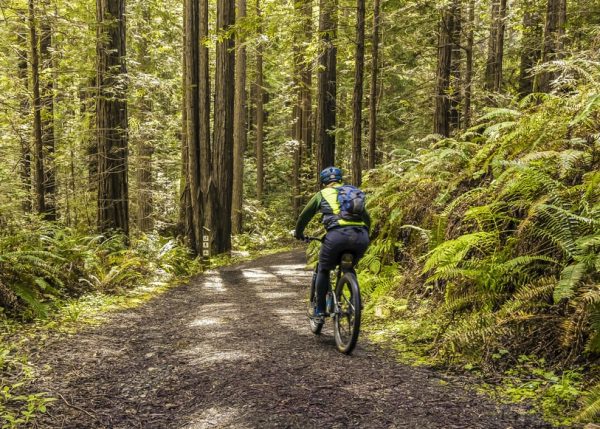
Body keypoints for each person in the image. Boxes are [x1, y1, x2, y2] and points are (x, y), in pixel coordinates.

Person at [294, 166, 371, 321]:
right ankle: (356, 301)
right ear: (340, 179)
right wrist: (366, 233)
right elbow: (367, 218)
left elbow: (304, 216)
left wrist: (299, 233)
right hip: (360, 236)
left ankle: (320, 311)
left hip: (336, 236)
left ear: (323, 182)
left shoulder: (322, 194)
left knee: (323, 268)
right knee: (348, 266)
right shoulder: (352, 193)